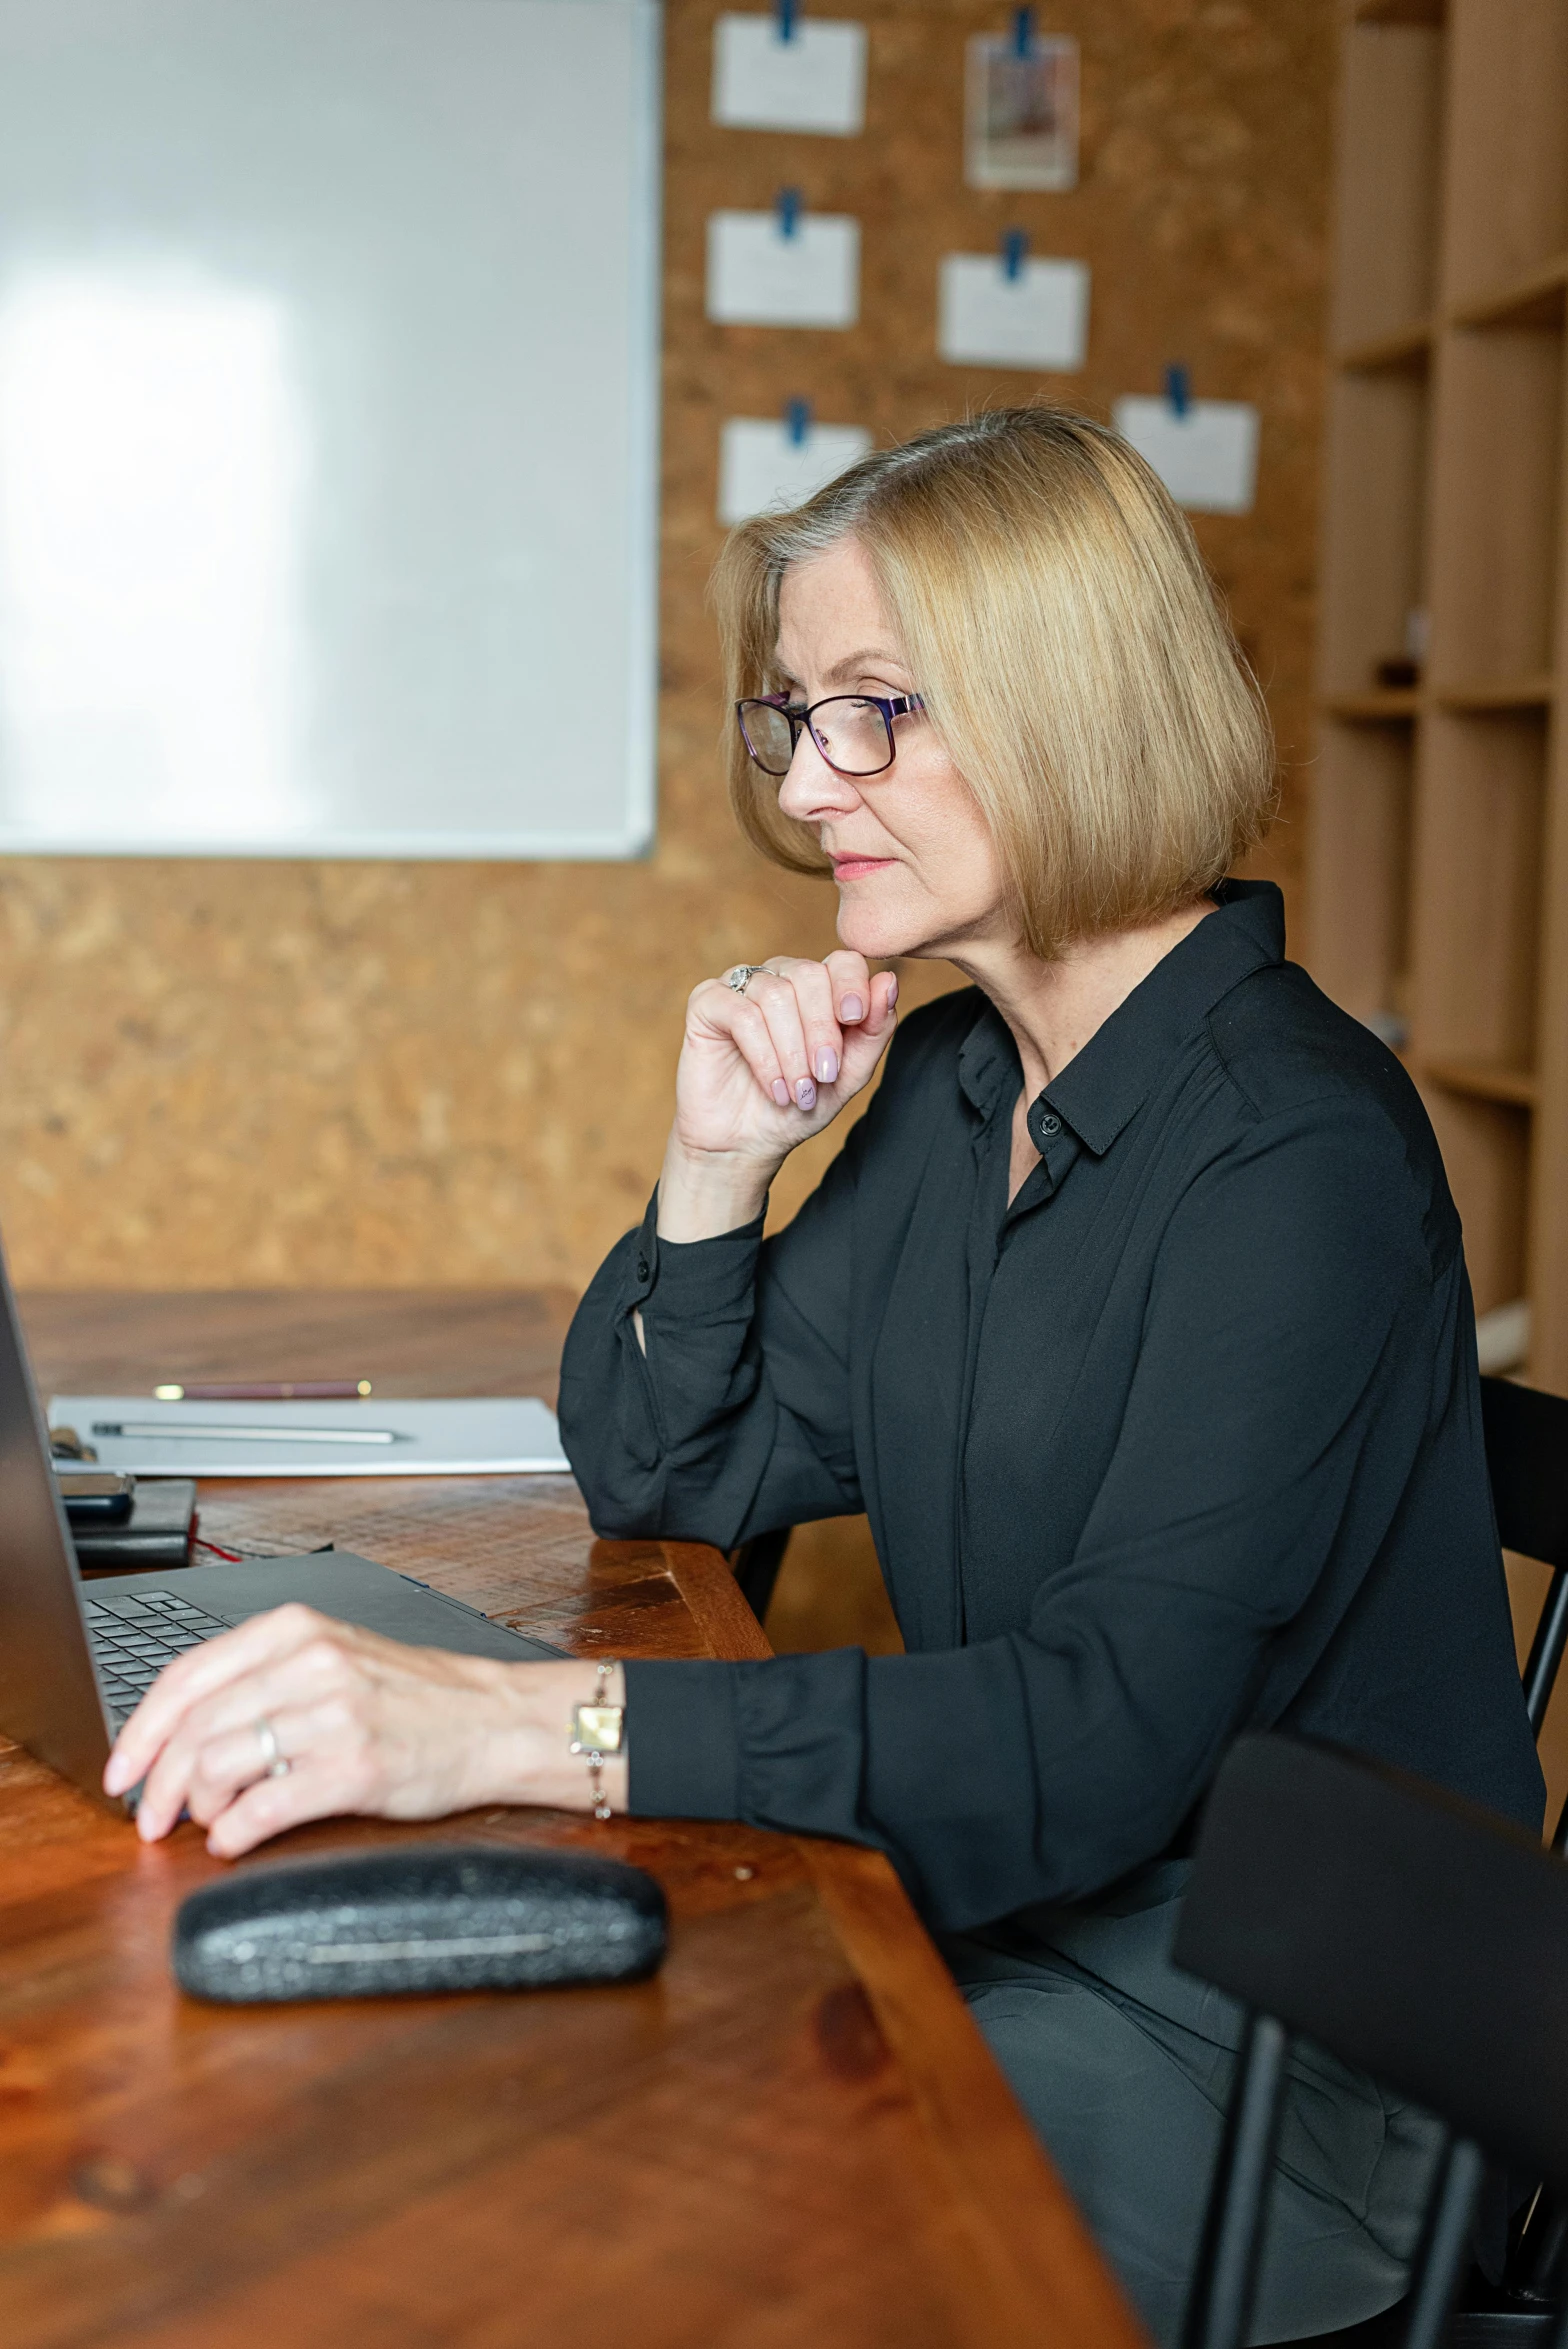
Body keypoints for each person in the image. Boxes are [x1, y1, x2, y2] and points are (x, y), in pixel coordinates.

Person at [107, 410, 1543, 2345]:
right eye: (793, 717)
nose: (810, 785)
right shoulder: (961, 1090)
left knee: (595, 2221)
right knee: (458, 2103)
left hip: (1294, 2068)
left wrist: (520, 1734)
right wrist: (715, 1168)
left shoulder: (1301, 1158)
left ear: (1065, 706)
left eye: (873, 709)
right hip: (1000, 1927)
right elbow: (666, 1490)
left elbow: (1100, 1738)